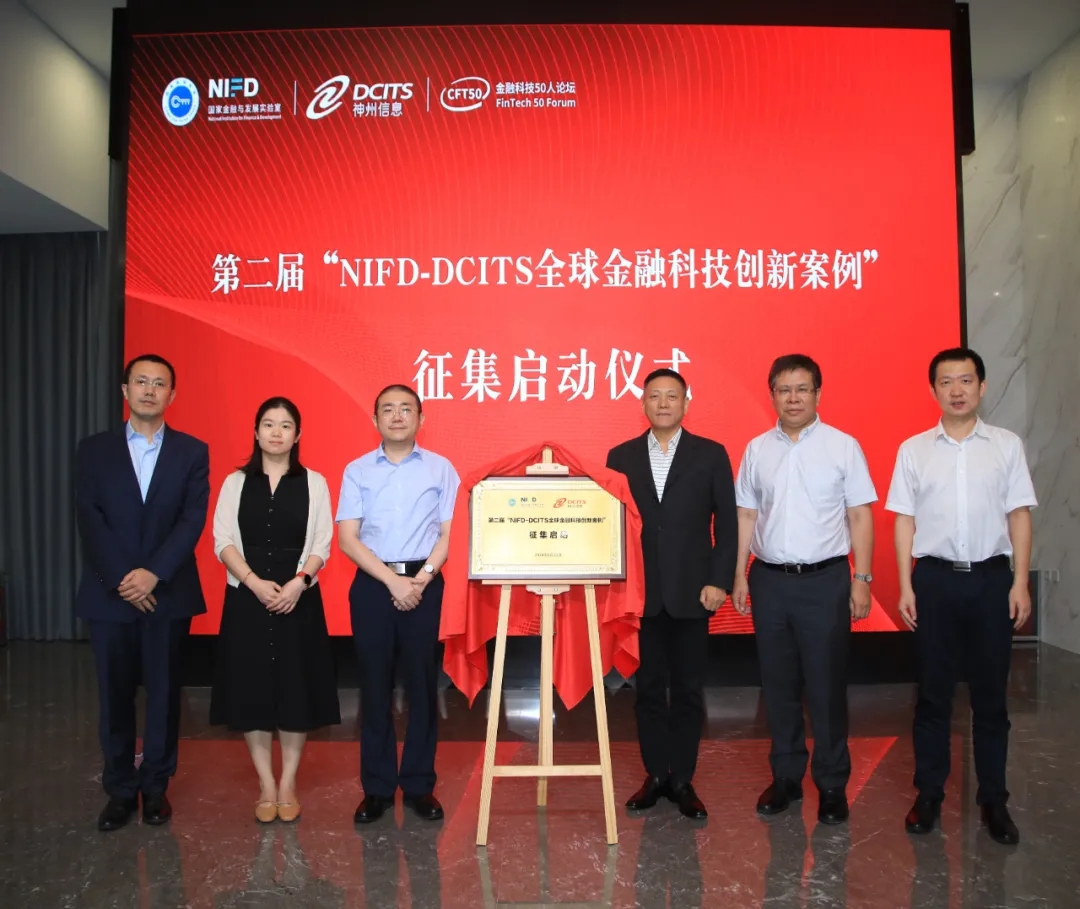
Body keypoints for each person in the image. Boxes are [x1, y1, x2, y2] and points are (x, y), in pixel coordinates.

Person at [885, 347, 1036, 845]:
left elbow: (1019, 514)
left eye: (966, 380)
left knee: (991, 698)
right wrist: (906, 584)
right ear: (933, 390)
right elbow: (904, 520)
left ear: (982, 387)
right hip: (935, 580)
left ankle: (994, 800)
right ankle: (929, 794)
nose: (956, 390)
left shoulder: (1006, 446)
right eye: (946, 382)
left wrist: (1019, 581)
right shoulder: (914, 449)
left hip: (992, 581)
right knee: (932, 695)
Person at [732, 354, 876, 825]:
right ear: (772, 395)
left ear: (817, 393)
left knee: (826, 685)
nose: (793, 398)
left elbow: (860, 515)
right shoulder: (757, 449)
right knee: (778, 685)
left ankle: (832, 784)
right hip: (770, 580)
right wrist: (738, 573)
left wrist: (861, 579)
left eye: (802, 389)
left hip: (825, 581)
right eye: (784, 390)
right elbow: (747, 514)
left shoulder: (843, 446)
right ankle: (786, 777)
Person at [75, 354, 210, 832]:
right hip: (109, 595)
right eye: (141, 381)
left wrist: (153, 574)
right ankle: (119, 790)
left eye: (159, 384)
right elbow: (90, 518)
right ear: (125, 390)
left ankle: (155, 787)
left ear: (172, 395)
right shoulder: (93, 450)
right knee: (114, 697)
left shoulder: (191, 452)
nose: (149, 390)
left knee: (164, 695)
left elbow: (192, 519)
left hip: (167, 593)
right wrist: (123, 578)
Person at [606, 368, 738, 820]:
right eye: (655, 396)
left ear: (686, 403)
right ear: (642, 403)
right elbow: (611, 525)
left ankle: (682, 778)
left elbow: (727, 523)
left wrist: (719, 580)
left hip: (694, 592)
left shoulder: (710, 454)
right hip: (640, 594)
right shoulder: (620, 456)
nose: (663, 403)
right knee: (646, 690)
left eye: (672, 396)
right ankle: (655, 775)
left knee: (687, 690)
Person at [210, 397, 340, 823]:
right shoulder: (235, 483)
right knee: (252, 691)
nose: (277, 432)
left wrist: (300, 582)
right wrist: (252, 582)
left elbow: (322, 542)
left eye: (286, 425)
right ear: (256, 432)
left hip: (297, 598)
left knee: (294, 690)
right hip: (247, 599)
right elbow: (223, 540)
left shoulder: (314, 483)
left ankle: (288, 783)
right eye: (268, 424)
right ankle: (266, 782)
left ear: (298, 435)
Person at [337, 384, 461, 824]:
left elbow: (448, 534)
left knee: (423, 687)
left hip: (425, 585)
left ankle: (419, 785)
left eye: (406, 409)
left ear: (421, 419)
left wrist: (421, 580)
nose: (396, 416)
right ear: (375, 420)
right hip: (374, 585)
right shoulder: (356, 470)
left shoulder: (441, 469)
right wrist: (393, 582)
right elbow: (348, 539)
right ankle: (376, 789)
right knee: (375, 688)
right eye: (387, 409)